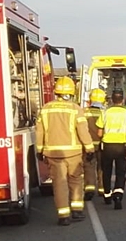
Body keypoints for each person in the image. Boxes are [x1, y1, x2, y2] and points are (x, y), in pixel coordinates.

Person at [35, 77, 94, 226]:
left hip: (53, 153)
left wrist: (39, 149)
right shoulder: (75, 109)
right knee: (75, 180)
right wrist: (89, 148)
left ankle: (63, 216)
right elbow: (83, 131)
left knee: (59, 183)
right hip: (73, 152)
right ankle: (77, 211)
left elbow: (39, 131)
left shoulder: (45, 109)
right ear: (71, 93)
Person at [98, 89, 126, 209]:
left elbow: (99, 133)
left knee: (107, 171)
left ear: (111, 99)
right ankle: (118, 195)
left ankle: (107, 194)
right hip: (121, 147)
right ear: (123, 99)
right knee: (121, 173)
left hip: (107, 146)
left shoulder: (105, 113)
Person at [82, 88, 106, 201]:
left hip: (88, 146)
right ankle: (102, 189)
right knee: (102, 167)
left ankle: (89, 189)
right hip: (103, 145)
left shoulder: (84, 112)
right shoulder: (105, 113)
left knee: (89, 167)